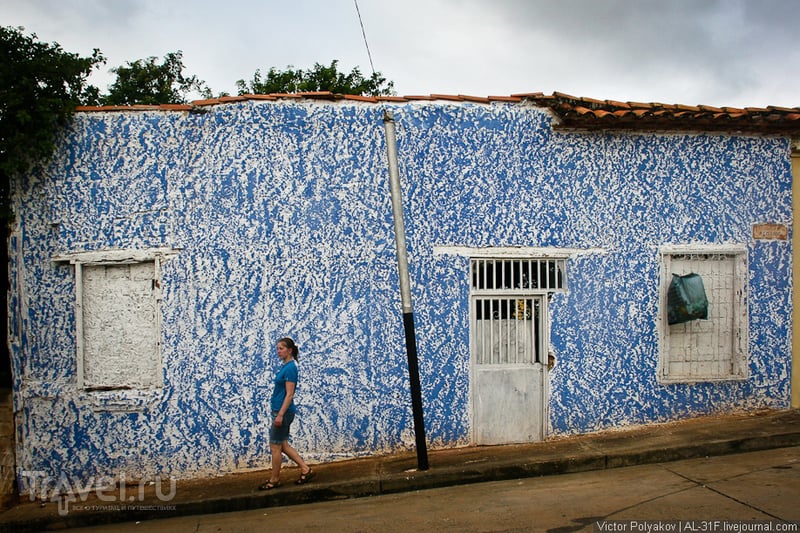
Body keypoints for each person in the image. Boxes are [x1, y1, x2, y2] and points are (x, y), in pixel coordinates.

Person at [259, 337, 315, 490]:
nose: (278, 351)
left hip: (282, 412)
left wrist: (280, 415)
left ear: (290, 350)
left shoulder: (290, 367)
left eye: (281, 348)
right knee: (282, 444)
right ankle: (305, 469)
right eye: (277, 348)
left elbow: (290, 394)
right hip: (280, 410)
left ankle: (274, 479)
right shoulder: (286, 366)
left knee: (275, 446)